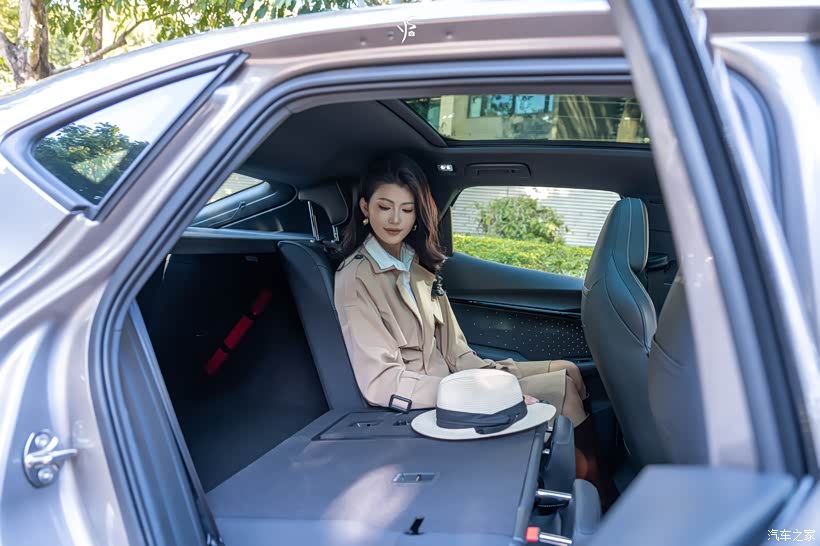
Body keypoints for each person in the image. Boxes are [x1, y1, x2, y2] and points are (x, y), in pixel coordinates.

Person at [333, 153, 617, 508]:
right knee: (562, 389)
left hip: (457, 383)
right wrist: (476, 397)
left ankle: (587, 492)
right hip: (432, 405)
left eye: (406, 209)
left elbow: (457, 351)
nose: (395, 219)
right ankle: (597, 498)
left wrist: (493, 380)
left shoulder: (417, 267)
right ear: (365, 207)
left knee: (569, 371)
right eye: (384, 207)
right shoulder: (355, 278)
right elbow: (381, 381)